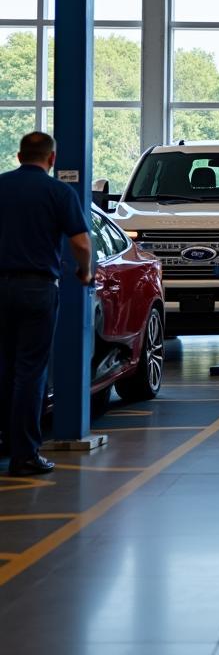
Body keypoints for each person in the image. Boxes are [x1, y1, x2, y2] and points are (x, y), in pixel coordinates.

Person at [0, 132, 92, 476]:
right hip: (36, 288)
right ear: (51, 159)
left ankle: (5, 441)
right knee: (29, 371)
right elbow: (81, 243)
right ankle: (24, 454)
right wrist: (84, 273)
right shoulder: (58, 192)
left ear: (19, 154)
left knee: (4, 366)